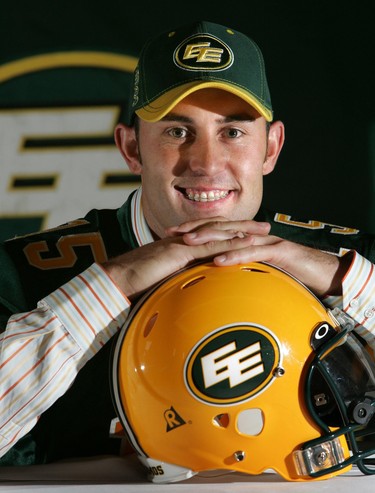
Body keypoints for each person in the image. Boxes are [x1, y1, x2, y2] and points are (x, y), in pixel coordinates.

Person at [0, 20, 374, 467]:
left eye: (232, 132)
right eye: (177, 132)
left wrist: (347, 283)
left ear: (271, 148)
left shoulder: (346, 262)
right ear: (132, 149)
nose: (206, 162)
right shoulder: (19, 275)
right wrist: (110, 287)